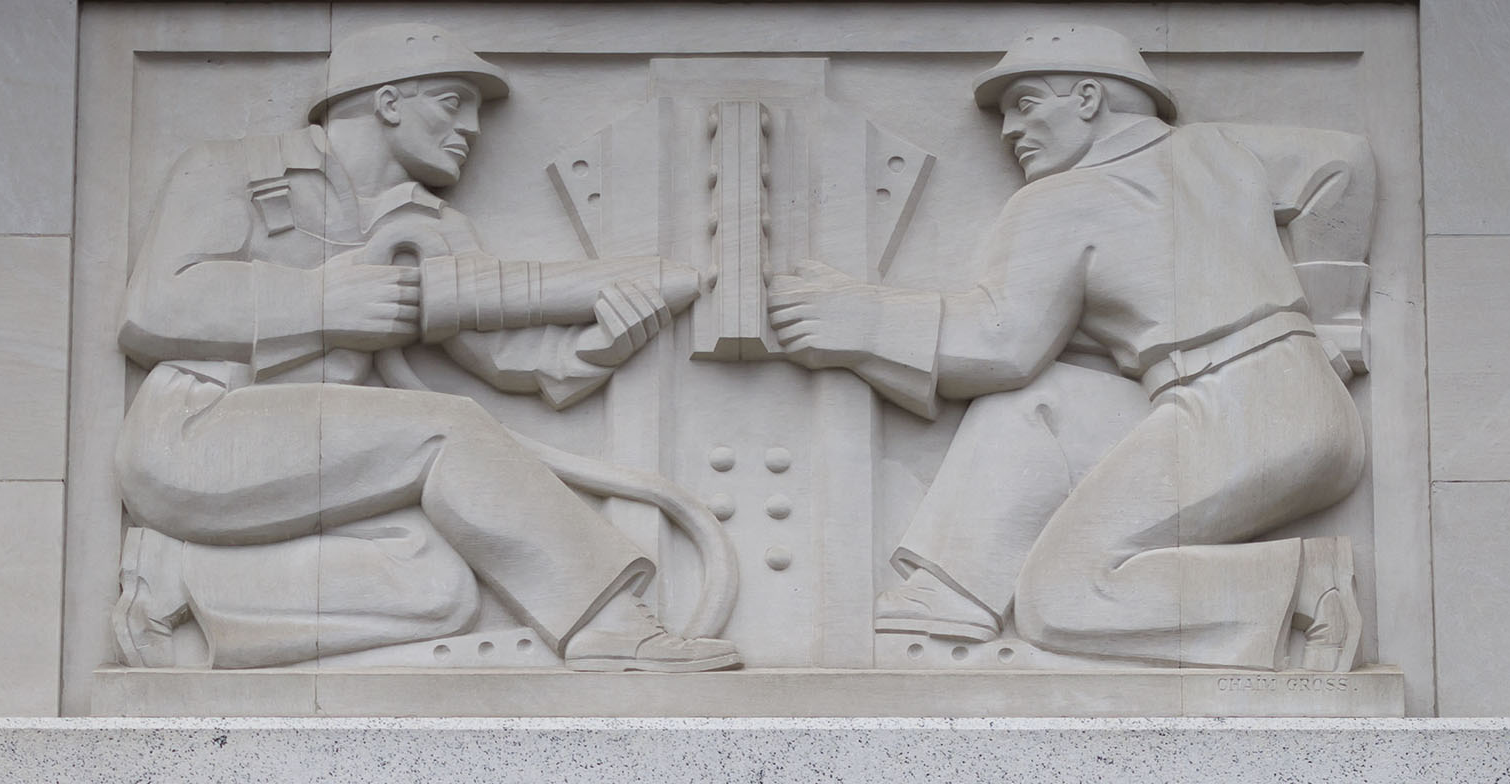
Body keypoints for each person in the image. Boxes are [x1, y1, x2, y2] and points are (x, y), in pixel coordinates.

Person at [113, 22, 736, 670]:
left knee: (438, 590)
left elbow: (506, 359)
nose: (472, 127)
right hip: (197, 429)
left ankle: (182, 574)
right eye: (451, 102)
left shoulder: (434, 225)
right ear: (388, 102)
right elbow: (153, 307)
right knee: (447, 428)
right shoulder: (233, 170)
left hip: (324, 462)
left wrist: (602, 340)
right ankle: (604, 625)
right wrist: (322, 303)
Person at [757, 25, 1374, 672]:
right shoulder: (1222, 147)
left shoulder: (1062, 198)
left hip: (1238, 419)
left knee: (1061, 597)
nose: (1008, 131)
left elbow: (1002, 342)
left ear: (1087, 97)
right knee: (1037, 401)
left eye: (1025, 104)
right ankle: (954, 592)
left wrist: (867, 321)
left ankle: (1307, 583)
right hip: (1262, 403)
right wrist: (1328, 326)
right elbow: (1341, 167)